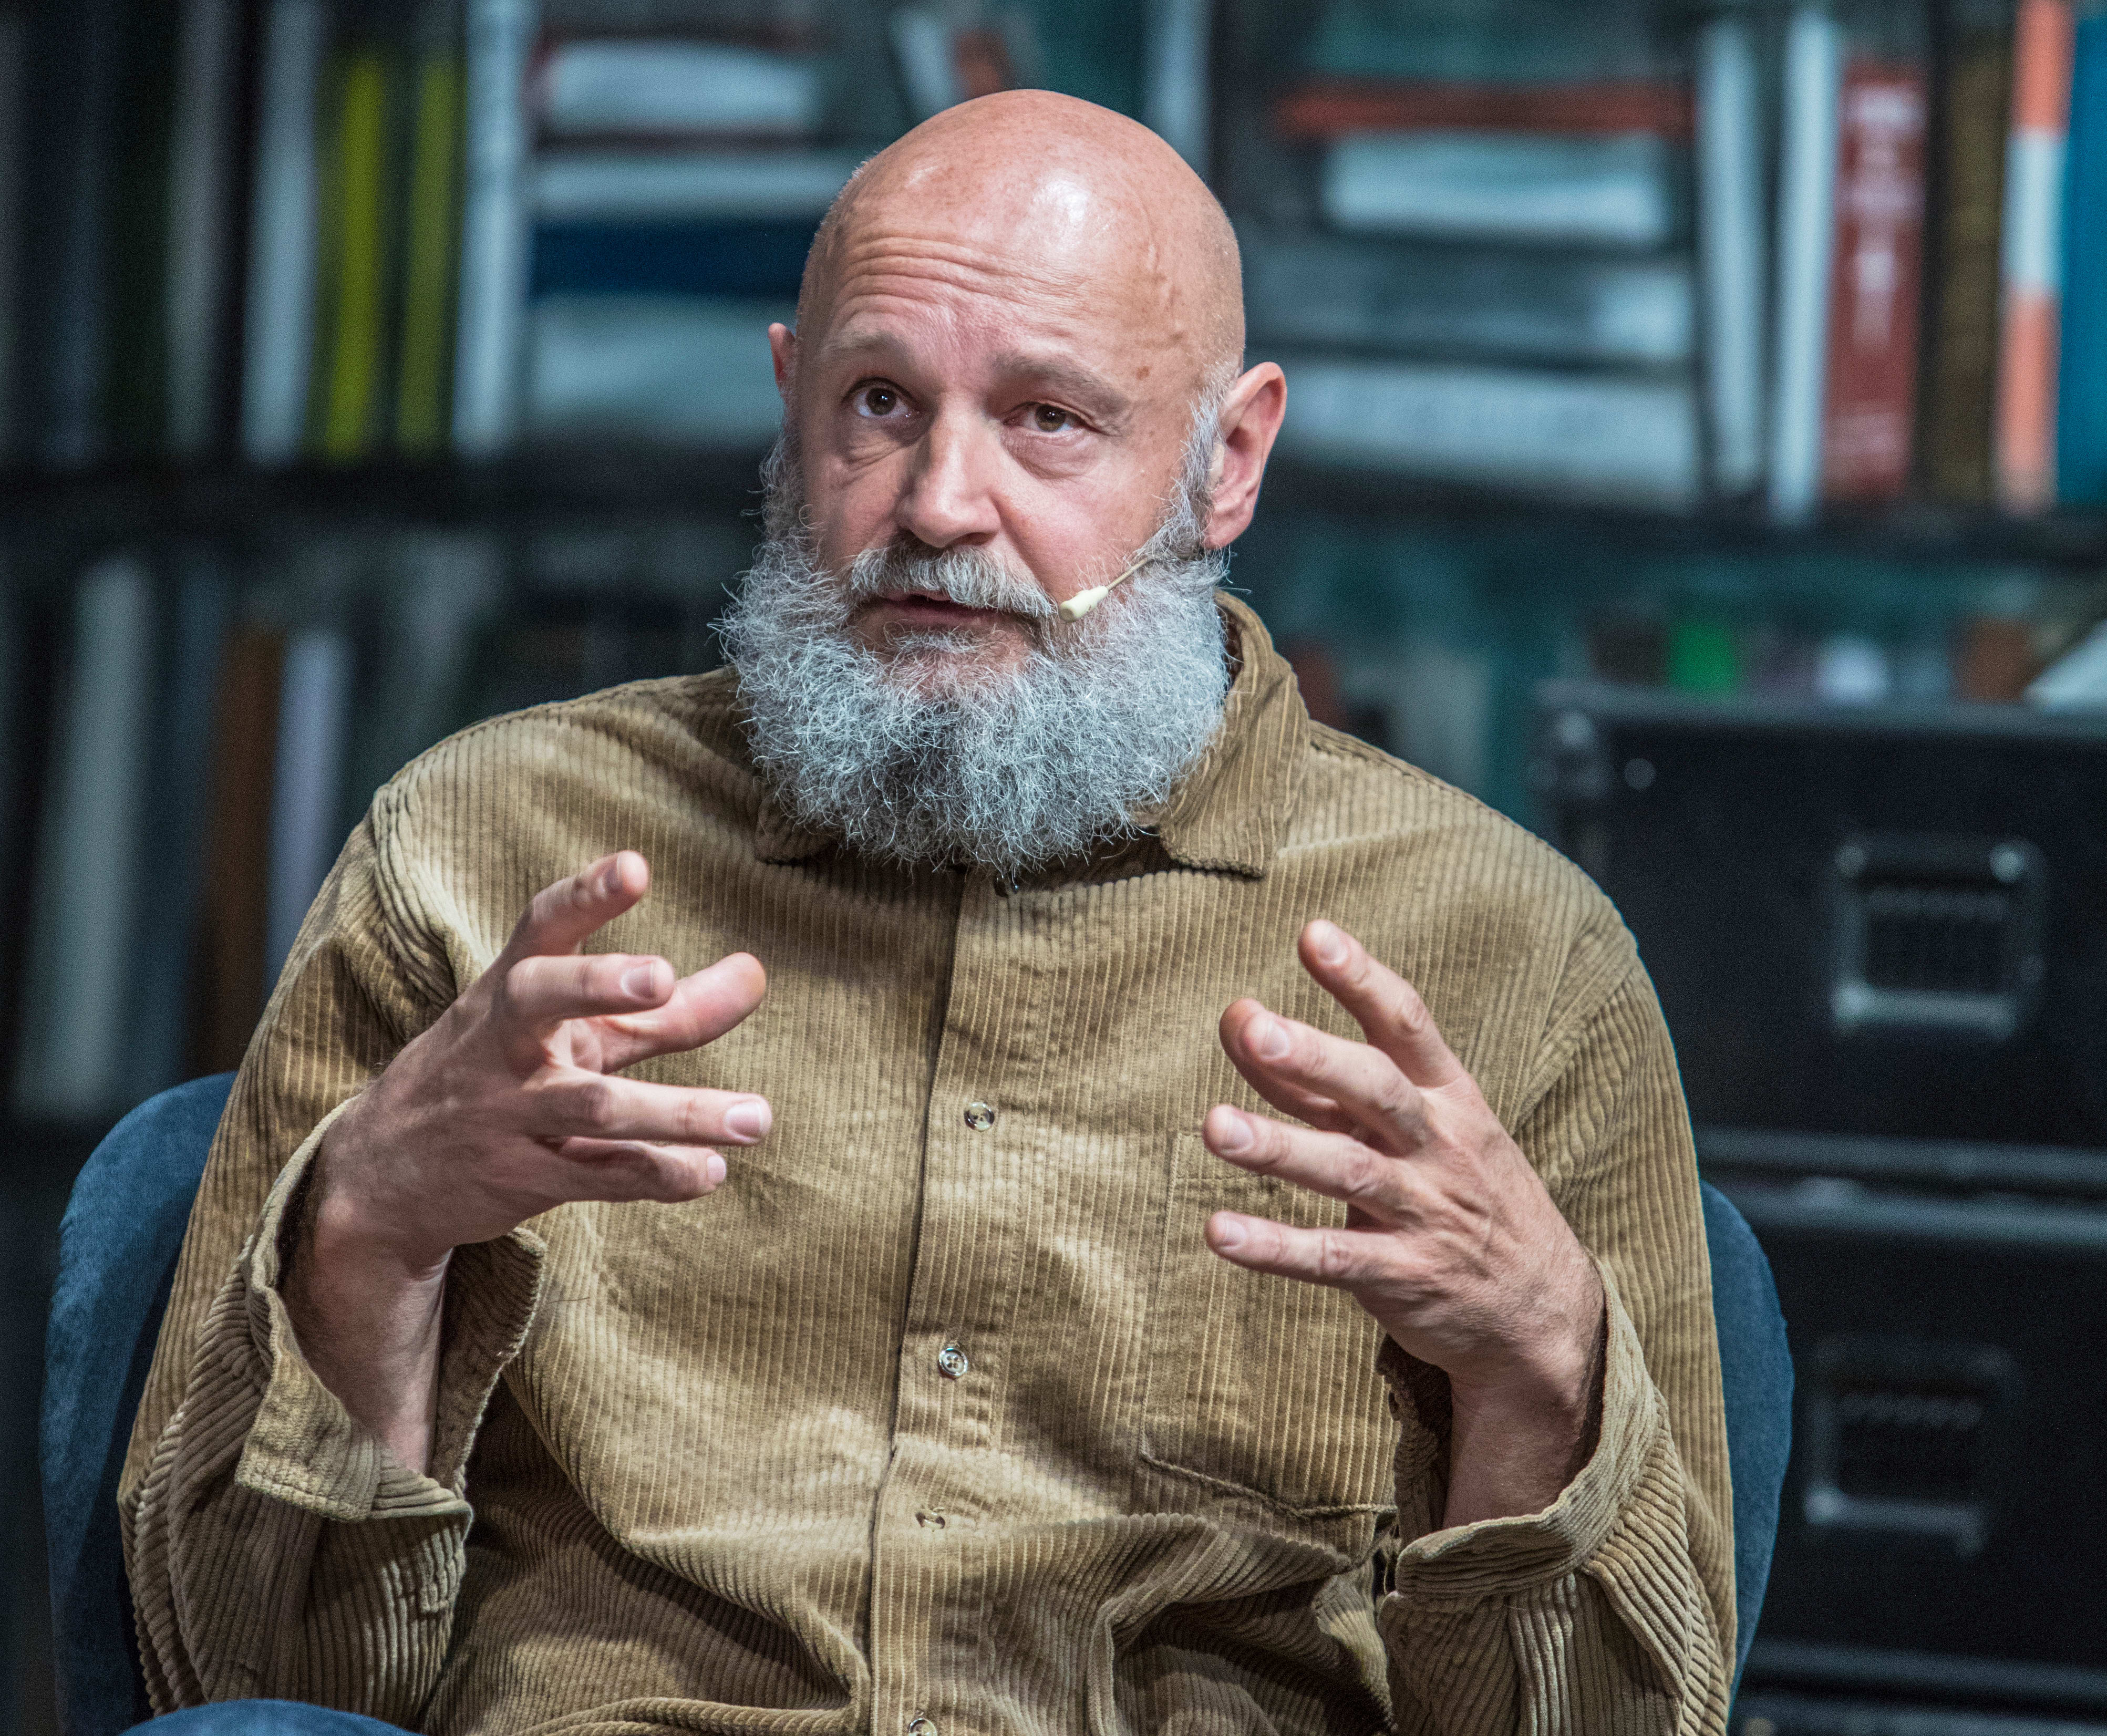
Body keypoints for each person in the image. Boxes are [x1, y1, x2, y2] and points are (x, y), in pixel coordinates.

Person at [123, 91, 1732, 1736]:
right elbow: (240, 1685)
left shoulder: (1515, 956)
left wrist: (1536, 1367)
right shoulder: (480, 855)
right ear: (788, 407)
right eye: (879, 402)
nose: (939, 503)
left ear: (1226, 461)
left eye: (1047, 419)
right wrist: (371, 1232)